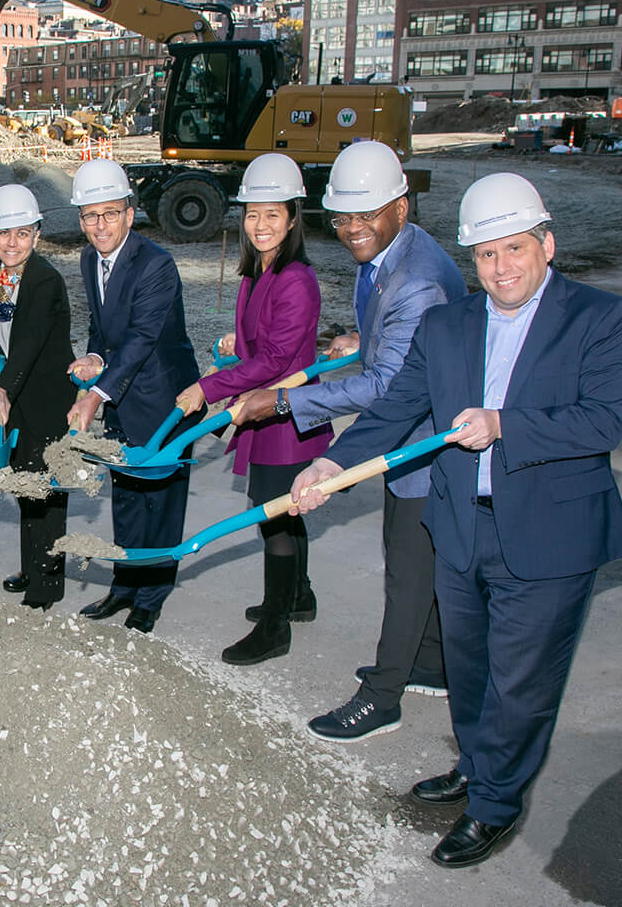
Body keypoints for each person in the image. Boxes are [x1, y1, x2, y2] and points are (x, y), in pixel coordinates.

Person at [288, 173, 622, 868]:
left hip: (549, 536)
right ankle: (476, 767)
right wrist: (334, 464)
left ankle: (496, 804)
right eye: (486, 254)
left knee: (520, 680)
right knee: (468, 668)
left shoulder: (597, 318)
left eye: (514, 250)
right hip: (461, 524)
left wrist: (506, 425)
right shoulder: (449, 325)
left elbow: (606, 417)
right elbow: (396, 408)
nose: (501, 269)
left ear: (546, 244)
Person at [233, 140, 466, 739]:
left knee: (407, 566)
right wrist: (356, 342)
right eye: (342, 217)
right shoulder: (390, 256)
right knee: (421, 558)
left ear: (402, 208)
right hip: (416, 424)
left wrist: (284, 399)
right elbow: (397, 342)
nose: (352, 229)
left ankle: (383, 696)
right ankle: (433, 664)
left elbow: (388, 384)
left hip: (428, 441)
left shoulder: (414, 278)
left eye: (366, 215)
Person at [173, 154, 333, 664]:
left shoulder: (296, 279)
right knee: (288, 508)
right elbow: (260, 343)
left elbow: (278, 359)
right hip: (268, 410)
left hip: (287, 416)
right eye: (251, 214)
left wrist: (209, 386)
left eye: (272, 215)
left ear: (292, 218)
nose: (260, 226)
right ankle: (299, 596)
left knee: (275, 516)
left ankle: (275, 625)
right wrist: (235, 343)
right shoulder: (258, 270)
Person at [66, 159, 200, 634]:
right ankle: (124, 586)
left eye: (109, 213)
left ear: (129, 212)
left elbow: (143, 337)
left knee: (160, 498)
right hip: (122, 393)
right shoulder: (88, 259)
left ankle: (151, 596)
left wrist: (96, 395)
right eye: (89, 216)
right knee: (125, 493)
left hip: (165, 397)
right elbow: (104, 329)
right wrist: (93, 358)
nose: (99, 225)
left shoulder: (156, 264)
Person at [0, 184, 76, 610]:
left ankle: (48, 585)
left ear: (37, 235)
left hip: (49, 399)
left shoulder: (46, 282)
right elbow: (2, 335)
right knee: (25, 486)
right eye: (4, 234)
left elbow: (32, 341)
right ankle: (31, 566)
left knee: (48, 492)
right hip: (16, 395)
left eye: (22, 233)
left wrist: (3, 384)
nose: (12, 243)